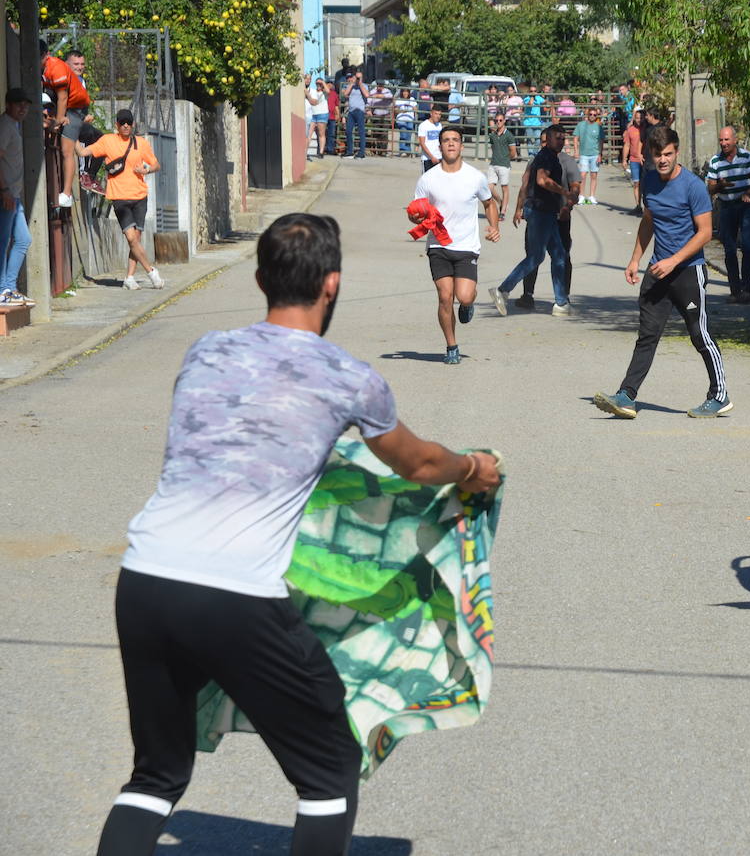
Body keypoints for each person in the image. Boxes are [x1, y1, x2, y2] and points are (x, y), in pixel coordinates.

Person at [94, 212, 501, 856]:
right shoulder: (346, 377)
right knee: (329, 770)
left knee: (157, 774)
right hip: (235, 594)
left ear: (260, 279)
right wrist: (474, 469)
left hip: (145, 580)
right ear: (332, 285)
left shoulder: (206, 350)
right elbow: (420, 465)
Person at [593, 127, 731, 420]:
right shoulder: (649, 181)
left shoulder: (694, 186)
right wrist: (634, 260)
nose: (663, 160)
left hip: (688, 271)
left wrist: (674, 260)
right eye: (658, 155)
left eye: (668, 154)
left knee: (699, 334)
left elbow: (705, 233)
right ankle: (627, 395)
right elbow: (648, 221)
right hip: (658, 270)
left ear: (676, 151)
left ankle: (719, 395)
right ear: (649, 156)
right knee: (647, 335)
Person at [409, 125, 500, 364]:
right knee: (445, 297)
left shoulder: (475, 177)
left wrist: (494, 227)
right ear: (440, 146)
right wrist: (415, 217)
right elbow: (415, 210)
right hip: (438, 246)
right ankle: (451, 346)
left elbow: (489, 204)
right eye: (446, 140)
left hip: (466, 246)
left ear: (461, 146)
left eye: (455, 140)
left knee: (465, 296)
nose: (451, 143)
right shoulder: (428, 179)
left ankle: (467, 305)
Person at [75, 109, 165, 291]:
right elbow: (83, 152)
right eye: (122, 122)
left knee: (136, 240)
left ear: (132, 125)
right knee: (131, 238)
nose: (125, 125)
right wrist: (71, 133)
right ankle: (152, 272)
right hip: (119, 197)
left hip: (140, 196)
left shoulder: (141, 143)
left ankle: (129, 278)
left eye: (129, 123)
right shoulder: (108, 141)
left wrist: (147, 170)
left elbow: (156, 164)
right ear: (116, 125)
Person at [490, 124, 573, 317]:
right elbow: (542, 180)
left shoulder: (549, 157)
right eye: (557, 138)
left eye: (563, 138)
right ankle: (503, 290)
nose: (560, 142)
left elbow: (528, 181)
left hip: (547, 212)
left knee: (559, 254)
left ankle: (561, 303)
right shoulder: (545, 157)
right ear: (548, 138)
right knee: (536, 256)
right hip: (539, 211)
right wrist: (564, 192)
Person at [511, 129, 581, 309]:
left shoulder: (567, 161)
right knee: (533, 254)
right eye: (542, 142)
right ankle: (527, 294)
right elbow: (525, 184)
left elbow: (575, 187)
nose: (544, 145)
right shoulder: (536, 161)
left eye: (547, 141)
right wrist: (519, 208)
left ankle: (563, 296)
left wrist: (568, 205)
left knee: (562, 256)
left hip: (560, 216)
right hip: (538, 213)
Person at [705, 125, 750, 302]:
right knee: (729, 249)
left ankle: (746, 288)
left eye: (727, 140)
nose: (724, 143)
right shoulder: (715, 161)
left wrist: (748, 193)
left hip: (746, 206)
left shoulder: (747, 157)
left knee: (748, 247)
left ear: (735, 140)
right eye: (721, 140)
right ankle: (734, 290)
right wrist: (720, 186)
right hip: (726, 206)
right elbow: (711, 188)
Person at [41, 39, 91, 208]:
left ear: (46, 56)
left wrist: (59, 119)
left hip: (76, 107)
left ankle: (67, 194)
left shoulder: (56, 68)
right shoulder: (39, 68)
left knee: (66, 150)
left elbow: (63, 97)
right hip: (60, 102)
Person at [0, 88, 34, 308]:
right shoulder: (4, 125)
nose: (23, 108)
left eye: (26, 104)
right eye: (18, 104)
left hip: (14, 194)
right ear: (8, 105)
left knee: (23, 239)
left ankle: (9, 288)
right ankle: (3, 289)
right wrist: (4, 191)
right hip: (6, 194)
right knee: (3, 243)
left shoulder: (15, 126)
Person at [486, 113, 517, 221]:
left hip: (504, 164)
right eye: (496, 120)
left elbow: (513, 152)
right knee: (489, 187)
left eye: (500, 120)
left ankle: (503, 212)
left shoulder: (509, 135)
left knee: (504, 187)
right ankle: (500, 202)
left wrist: (506, 159)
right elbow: (493, 147)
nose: (498, 122)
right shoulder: (493, 135)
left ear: (504, 121)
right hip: (493, 163)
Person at [571, 106, 604, 205]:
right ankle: (581, 196)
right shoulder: (581, 125)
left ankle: (592, 196)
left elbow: (601, 141)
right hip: (583, 154)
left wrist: (600, 154)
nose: (592, 116)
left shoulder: (599, 126)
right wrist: (576, 151)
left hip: (595, 154)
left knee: (594, 175)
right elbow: (576, 138)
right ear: (587, 115)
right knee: (582, 175)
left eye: (595, 115)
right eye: (591, 114)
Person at [621, 108, 645, 214]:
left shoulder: (647, 129)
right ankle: (638, 205)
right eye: (637, 118)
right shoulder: (630, 130)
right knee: (636, 183)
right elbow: (626, 145)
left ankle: (648, 206)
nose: (639, 120)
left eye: (641, 118)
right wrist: (624, 160)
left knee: (645, 183)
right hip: (634, 159)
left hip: (645, 159)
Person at [344, 72, 368, 159]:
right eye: (356, 77)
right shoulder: (351, 86)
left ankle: (362, 152)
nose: (357, 79)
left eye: (359, 78)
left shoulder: (364, 86)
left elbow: (366, 95)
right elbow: (345, 94)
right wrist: (352, 83)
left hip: (360, 111)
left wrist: (360, 83)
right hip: (351, 111)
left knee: (361, 132)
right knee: (348, 131)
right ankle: (350, 151)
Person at [305, 76, 328, 158]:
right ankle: (305, 152)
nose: (318, 85)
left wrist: (323, 82)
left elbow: (328, 91)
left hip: (322, 114)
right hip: (313, 115)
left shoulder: (324, 92)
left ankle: (321, 152)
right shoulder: (314, 91)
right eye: (316, 83)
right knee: (308, 134)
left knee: (321, 134)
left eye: (319, 83)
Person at [417, 104, 443, 173]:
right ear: (431, 113)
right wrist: (432, 157)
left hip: (439, 157)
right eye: (436, 114)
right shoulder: (423, 125)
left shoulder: (439, 125)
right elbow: (422, 143)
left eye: (439, 114)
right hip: (427, 159)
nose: (438, 116)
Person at [393, 87, 417, 155]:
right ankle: (404, 150)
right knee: (403, 134)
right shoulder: (398, 100)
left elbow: (415, 109)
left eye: (407, 92)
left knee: (408, 136)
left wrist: (412, 111)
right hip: (401, 119)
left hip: (410, 119)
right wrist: (402, 111)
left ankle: (406, 151)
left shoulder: (412, 99)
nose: (405, 93)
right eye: (404, 91)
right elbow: (396, 110)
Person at [324, 80, 340, 155]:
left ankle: (330, 149)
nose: (330, 85)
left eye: (331, 84)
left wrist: (338, 114)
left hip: (332, 116)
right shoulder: (322, 93)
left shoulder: (334, 94)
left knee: (331, 133)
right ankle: (322, 148)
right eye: (328, 83)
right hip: (323, 115)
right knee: (323, 133)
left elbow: (336, 105)